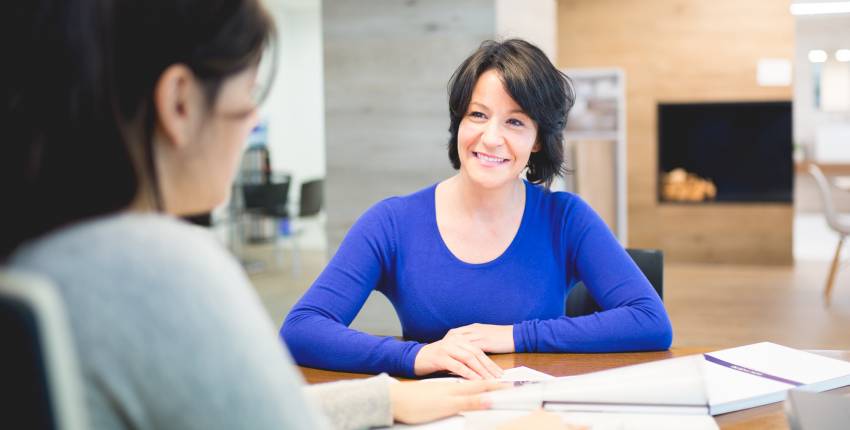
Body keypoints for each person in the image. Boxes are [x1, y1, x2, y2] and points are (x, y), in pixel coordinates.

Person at [0, 1, 519, 429]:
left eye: (516, 122)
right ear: (180, 102)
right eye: (248, 97)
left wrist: (383, 401)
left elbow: (230, 412)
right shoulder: (159, 266)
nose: (252, 123)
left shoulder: (41, 255)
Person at [281, 39, 673, 380]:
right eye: (478, 115)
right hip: (438, 414)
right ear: (459, 122)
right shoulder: (392, 223)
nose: (491, 138)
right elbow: (301, 328)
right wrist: (414, 355)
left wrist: (516, 335)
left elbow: (650, 321)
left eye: (515, 121)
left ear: (538, 140)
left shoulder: (565, 218)